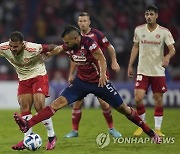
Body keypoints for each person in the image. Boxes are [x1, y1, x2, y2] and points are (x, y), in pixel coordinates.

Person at [13, 25, 161, 144]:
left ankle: (150, 132)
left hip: (100, 83)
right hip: (81, 82)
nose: (65, 44)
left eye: (67, 42)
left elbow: (101, 58)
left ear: (77, 38)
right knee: (55, 105)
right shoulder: (69, 46)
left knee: (125, 110)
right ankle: (28, 124)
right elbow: (59, 49)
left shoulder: (89, 44)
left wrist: (103, 74)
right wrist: (47, 54)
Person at [64, 12, 121, 138]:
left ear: (89, 22)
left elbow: (110, 48)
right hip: (82, 76)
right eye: (80, 21)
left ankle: (111, 129)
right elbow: (74, 58)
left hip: (98, 74)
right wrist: (71, 74)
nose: (83, 23)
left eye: (85, 21)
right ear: (78, 23)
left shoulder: (97, 35)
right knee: (77, 102)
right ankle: (74, 131)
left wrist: (114, 61)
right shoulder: (74, 38)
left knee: (104, 103)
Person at [0, 31, 57, 150]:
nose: (12, 49)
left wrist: (49, 54)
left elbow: (52, 47)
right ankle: (27, 139)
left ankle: (51, 136)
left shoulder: (33, 48)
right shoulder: (4, 48)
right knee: (24, 108)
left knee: (39, 106)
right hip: (23, 79)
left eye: (15, 46)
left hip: (38, 75)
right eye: (11, 45)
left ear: (22, 44)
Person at [128, 5, 176, 137]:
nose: (148, 16)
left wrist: (167, 57)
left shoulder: (164, 32)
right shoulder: (139, 30)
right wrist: (130, 65)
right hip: (142, 70)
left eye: (151, 14)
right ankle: (142, 125)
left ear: (156, 16)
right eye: (147, 14)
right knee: (138, 98)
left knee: (158, 100)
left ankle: (158, 129)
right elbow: (135, 47)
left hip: (157, 71)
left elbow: (172, 49)